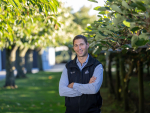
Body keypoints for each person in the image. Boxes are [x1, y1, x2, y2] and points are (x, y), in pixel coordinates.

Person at [59, 35, 103, 113]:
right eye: (76, 45)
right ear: (73, 48)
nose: (79, 48)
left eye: (81, 44)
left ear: (87, 45)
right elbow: (62, 91)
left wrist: (74, 85)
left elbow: (94, 89)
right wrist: (86, 87)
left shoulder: (97, 66)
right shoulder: (68, 67)